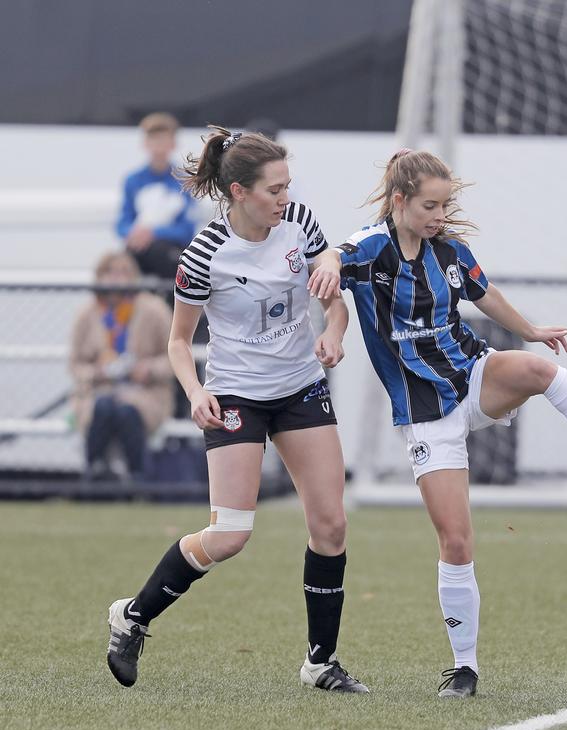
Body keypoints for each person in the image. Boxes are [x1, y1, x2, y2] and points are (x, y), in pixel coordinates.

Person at [308, 149, 567, 698]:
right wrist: (330, 264)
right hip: (426, 415)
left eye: (445, 204)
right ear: (400, 201)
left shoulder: (448, 251)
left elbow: (485, 294)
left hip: (473, 374)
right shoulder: (371, 248)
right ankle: (465, 668)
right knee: (456, 539)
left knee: (538, 368)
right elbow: (334, 255)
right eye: (430, 205)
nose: (439, 215)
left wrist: (531, 328)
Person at [106, 126, 367, 695]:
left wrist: (334, 328)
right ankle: (132, 616)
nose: (284, 197)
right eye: (274, 189)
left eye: (287, 187)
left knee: (331, 524)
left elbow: (332, 300)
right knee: (229, 535)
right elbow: (179, 341)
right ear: (239, 192)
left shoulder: (298, 219)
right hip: (237, 397)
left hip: (300, 388)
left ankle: (321, 662)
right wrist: (197, 392)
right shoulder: (204, 253)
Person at [70, 250, 174, 480]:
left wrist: (148, 369)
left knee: (127, 411)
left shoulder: (154, 310)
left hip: (145, 392)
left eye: (123, 272)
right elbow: (76, 364)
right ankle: (93, 473)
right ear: (99, 277)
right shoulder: (87, 314)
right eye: (110, 272)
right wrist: (96, 372)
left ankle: (137, 477)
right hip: (99, 390)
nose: (116, 279)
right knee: (104, 407)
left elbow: (174, 356)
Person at [116, 112, 198, 285]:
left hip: (171, 248)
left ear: (173, 144)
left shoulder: (184, 181)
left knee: (166, 257)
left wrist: (153, 233)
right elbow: (123, 222)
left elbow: (186, 229)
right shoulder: (133, 180)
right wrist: (133, 233)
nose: (158, 146)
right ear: (145, 143)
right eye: (154, 140)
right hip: (139, 247)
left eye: (163, 140)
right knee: (119, 265)